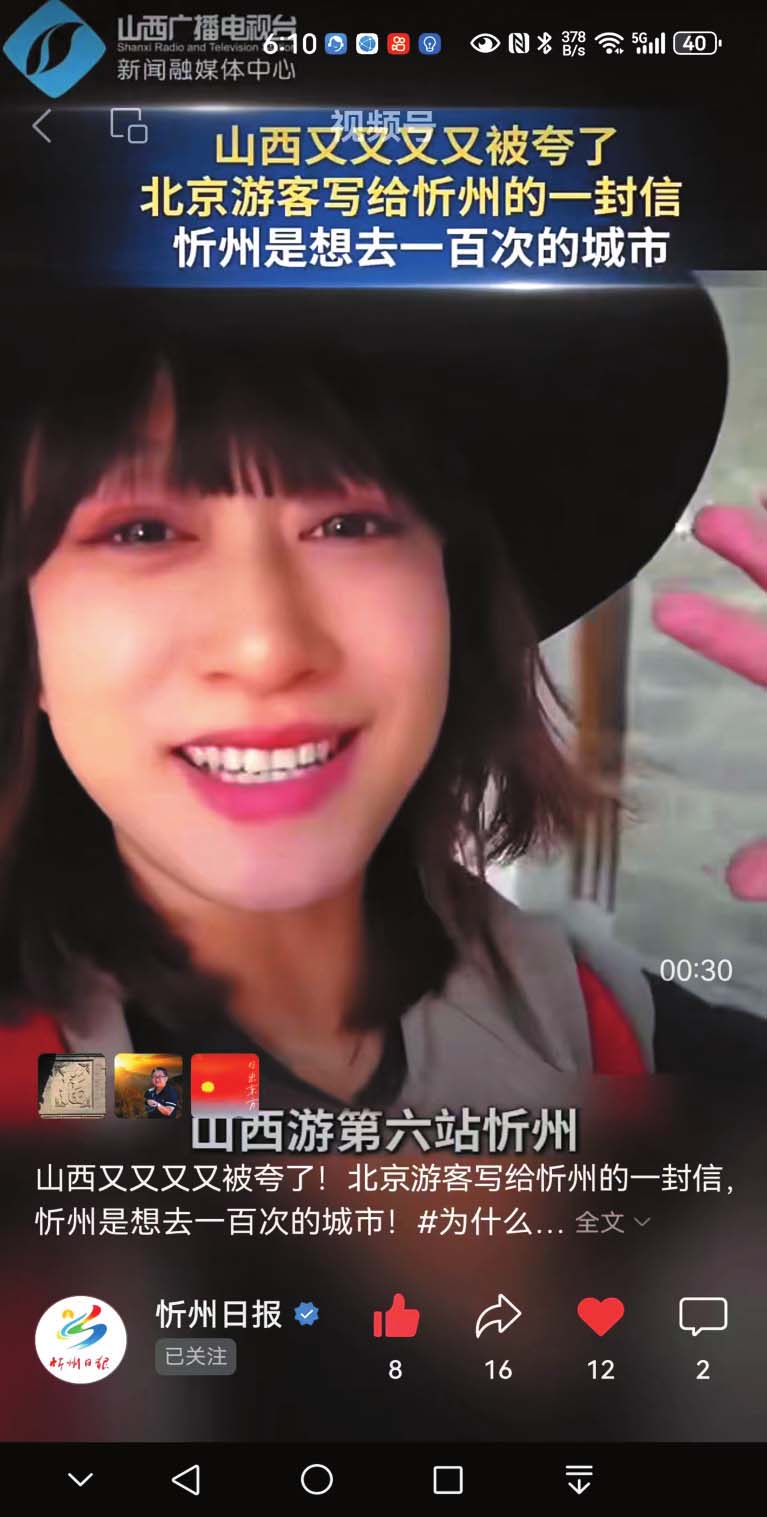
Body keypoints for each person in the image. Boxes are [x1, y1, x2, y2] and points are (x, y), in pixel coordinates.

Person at [0, 281, 764, 1124]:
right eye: (142, 532)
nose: (266, 648)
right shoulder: (48, 1077)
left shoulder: (600, 1027)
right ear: (26, 642)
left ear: (451, 606)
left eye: (348, 525)